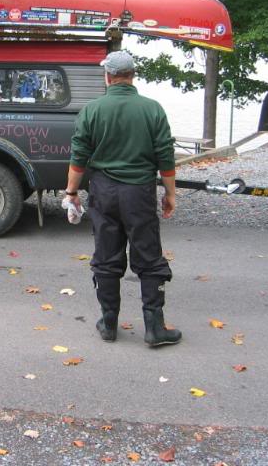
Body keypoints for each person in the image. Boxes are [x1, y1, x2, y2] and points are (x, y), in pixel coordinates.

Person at [64, 51, 181, 347]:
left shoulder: (92, 110)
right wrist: (169, 193)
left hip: (103, 191)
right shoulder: (152, 109)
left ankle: (109, 323)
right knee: (149, 257)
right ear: (132, 75)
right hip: (139, 191)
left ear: (108, 77)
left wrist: (71, 192)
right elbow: (165, 157)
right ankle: (154, 328)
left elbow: (79, 157)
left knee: (106, 256)